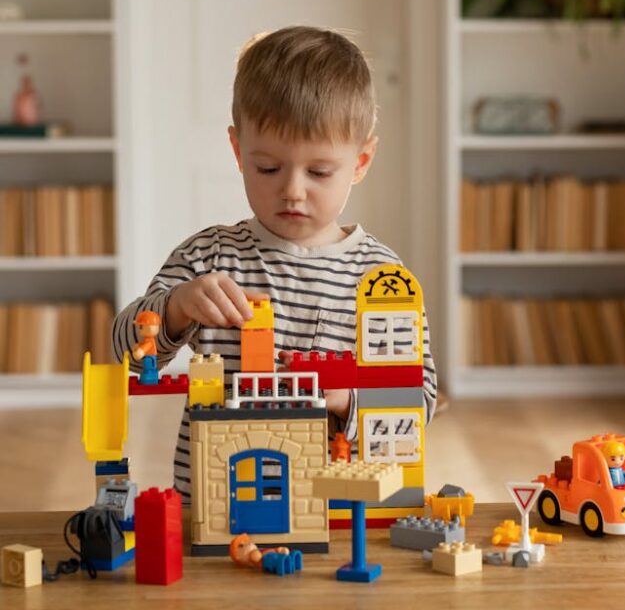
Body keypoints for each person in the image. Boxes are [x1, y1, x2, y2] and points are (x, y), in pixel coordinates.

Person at [113, 26, 437, 504]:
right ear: (239, 151)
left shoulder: (382, 279)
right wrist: (178, 307)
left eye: (320, 172)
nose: (292, 190)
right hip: (214, 501)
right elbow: (124, 356)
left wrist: (347, 401)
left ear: (362, 161)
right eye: (269, 168)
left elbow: (420, 401)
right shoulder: (208, 256)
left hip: (332, 509)